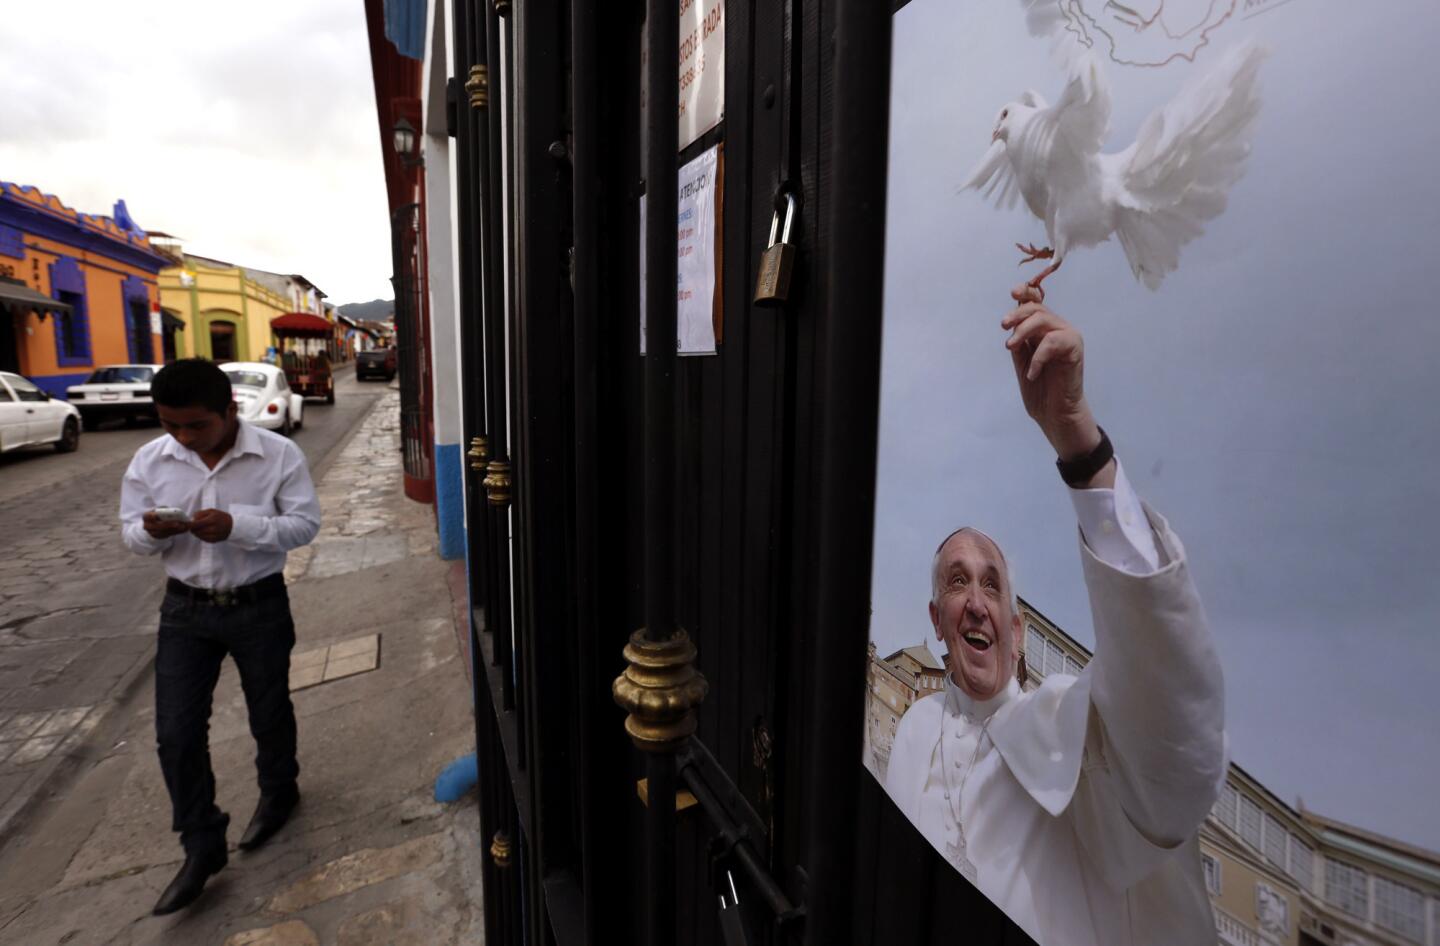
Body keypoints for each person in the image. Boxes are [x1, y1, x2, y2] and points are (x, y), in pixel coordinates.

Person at [884, 286, 1226, 946]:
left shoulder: (1074, 733)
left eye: (993, 585)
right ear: (937, 618)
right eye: (959, 583)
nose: (977, 601)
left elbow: (1174, 736)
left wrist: (1077, 439)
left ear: (1016, 632)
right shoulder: (912, 729)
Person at [119, 358, 321, 915]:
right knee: (176, 733)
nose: (183, 438)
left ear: (229, 410)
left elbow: (304, 524)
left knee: (268, 708)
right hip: (184, 612)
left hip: (259, 603)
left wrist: (240, 526)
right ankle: (201, 844)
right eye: (171, 425)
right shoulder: (150, 461)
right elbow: (131, 534)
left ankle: (279, 794)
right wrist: (151, 532)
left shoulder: (278, 455)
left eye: (196, 426)